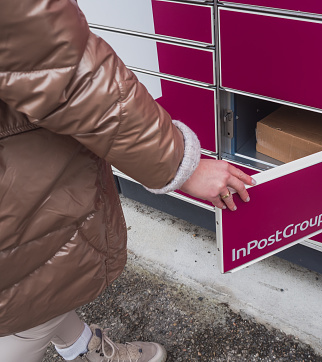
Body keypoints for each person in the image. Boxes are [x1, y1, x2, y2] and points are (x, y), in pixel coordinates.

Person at [0, 0, 254, 361]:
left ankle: (84, 349)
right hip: (18, 181)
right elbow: (69, 76)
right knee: (21, 315)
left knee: (37, 287)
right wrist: (180, 164)